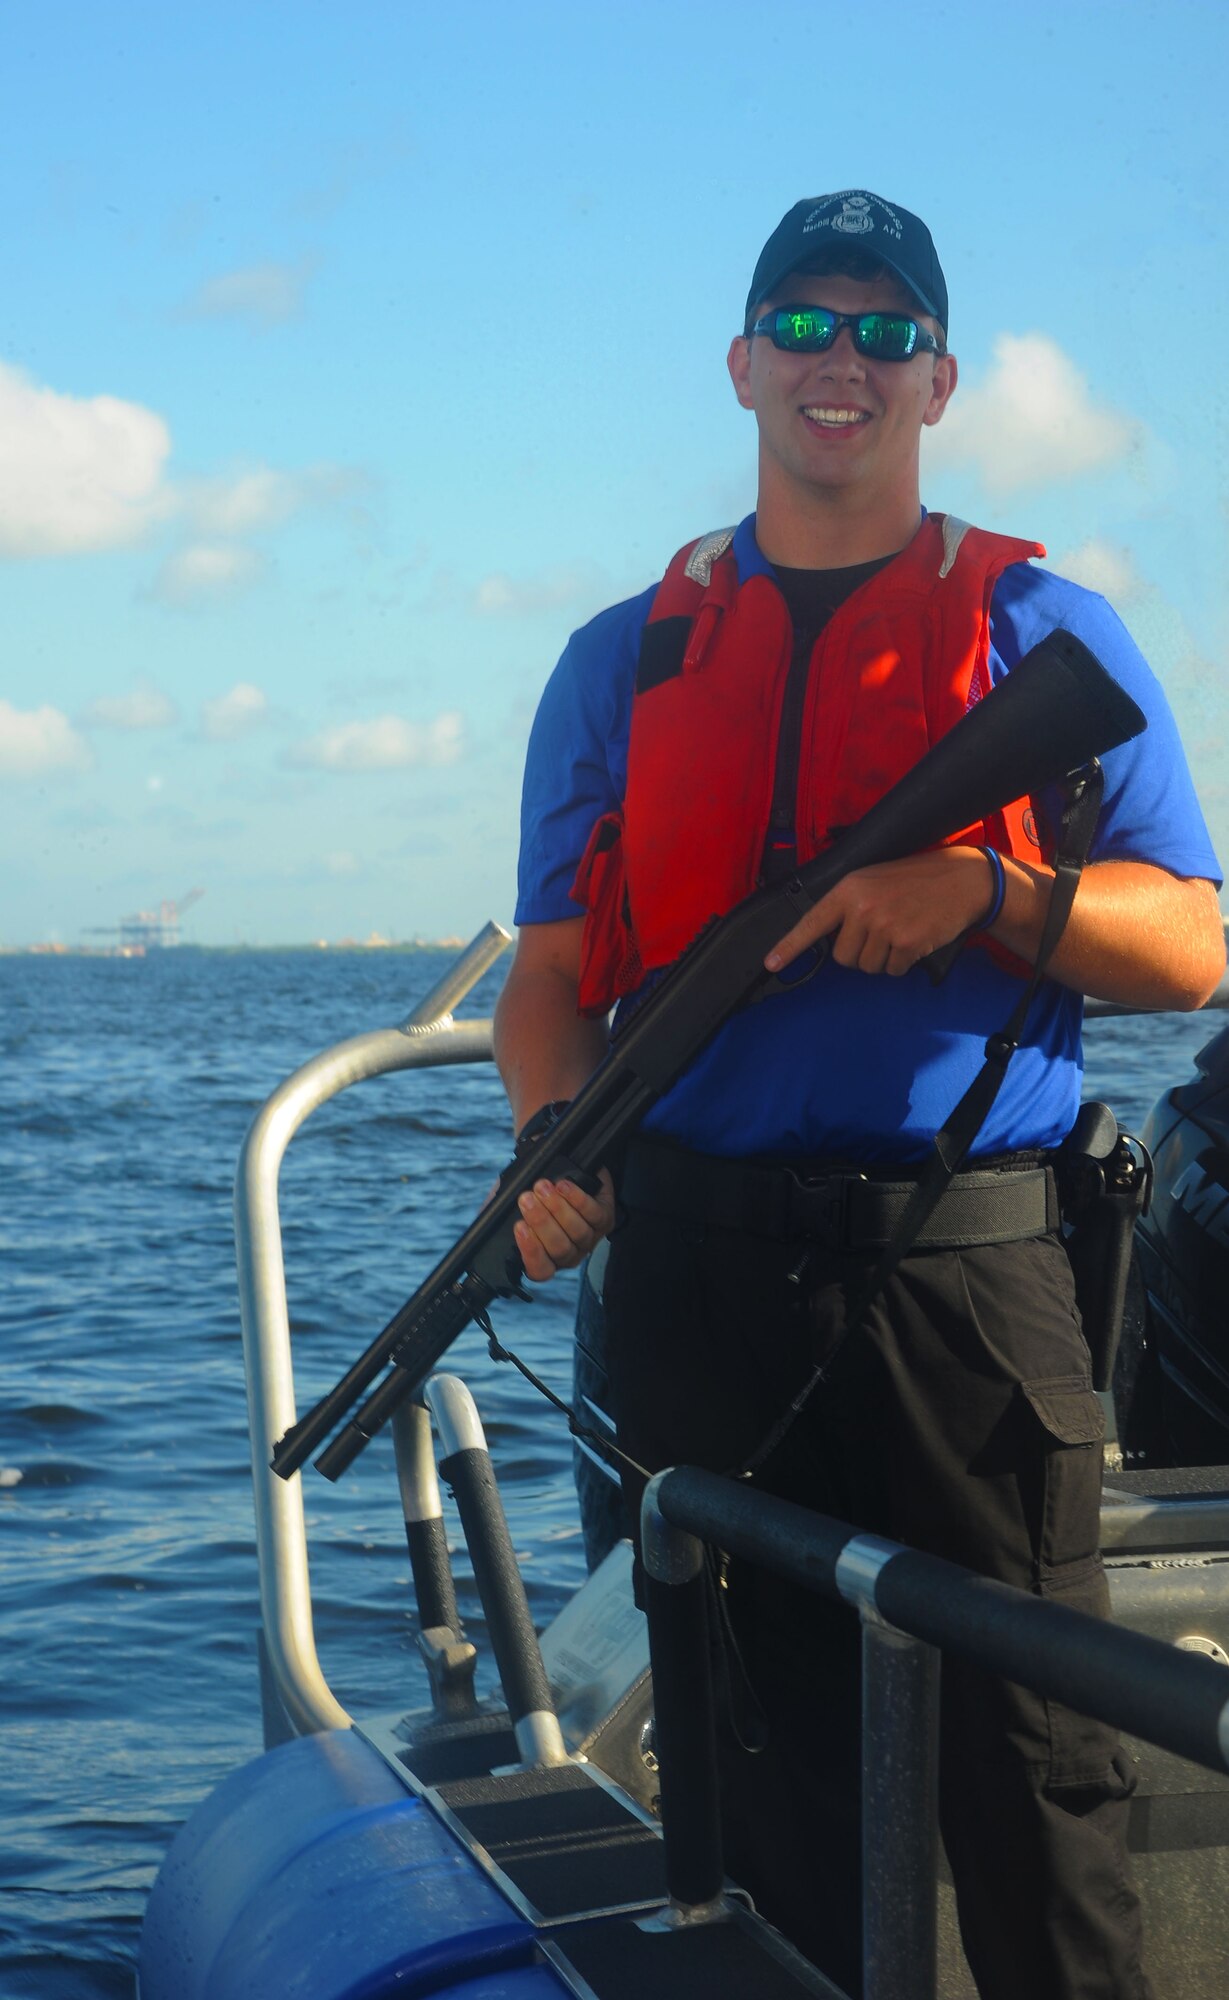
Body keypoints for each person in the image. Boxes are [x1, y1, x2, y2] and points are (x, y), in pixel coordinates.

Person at [492, 189, 1225, 2000]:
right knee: (749, 1770)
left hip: (964, 1279)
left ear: (942, 381)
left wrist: (985, 895)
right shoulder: (618, 657)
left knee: (1033, 1768)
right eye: (804, 328)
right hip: (693, 1278)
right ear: (742, 366)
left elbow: (1192, 948)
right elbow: (549, 976)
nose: (843, 363)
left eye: (884, 333)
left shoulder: (1044, 630)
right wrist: (545, 1148)